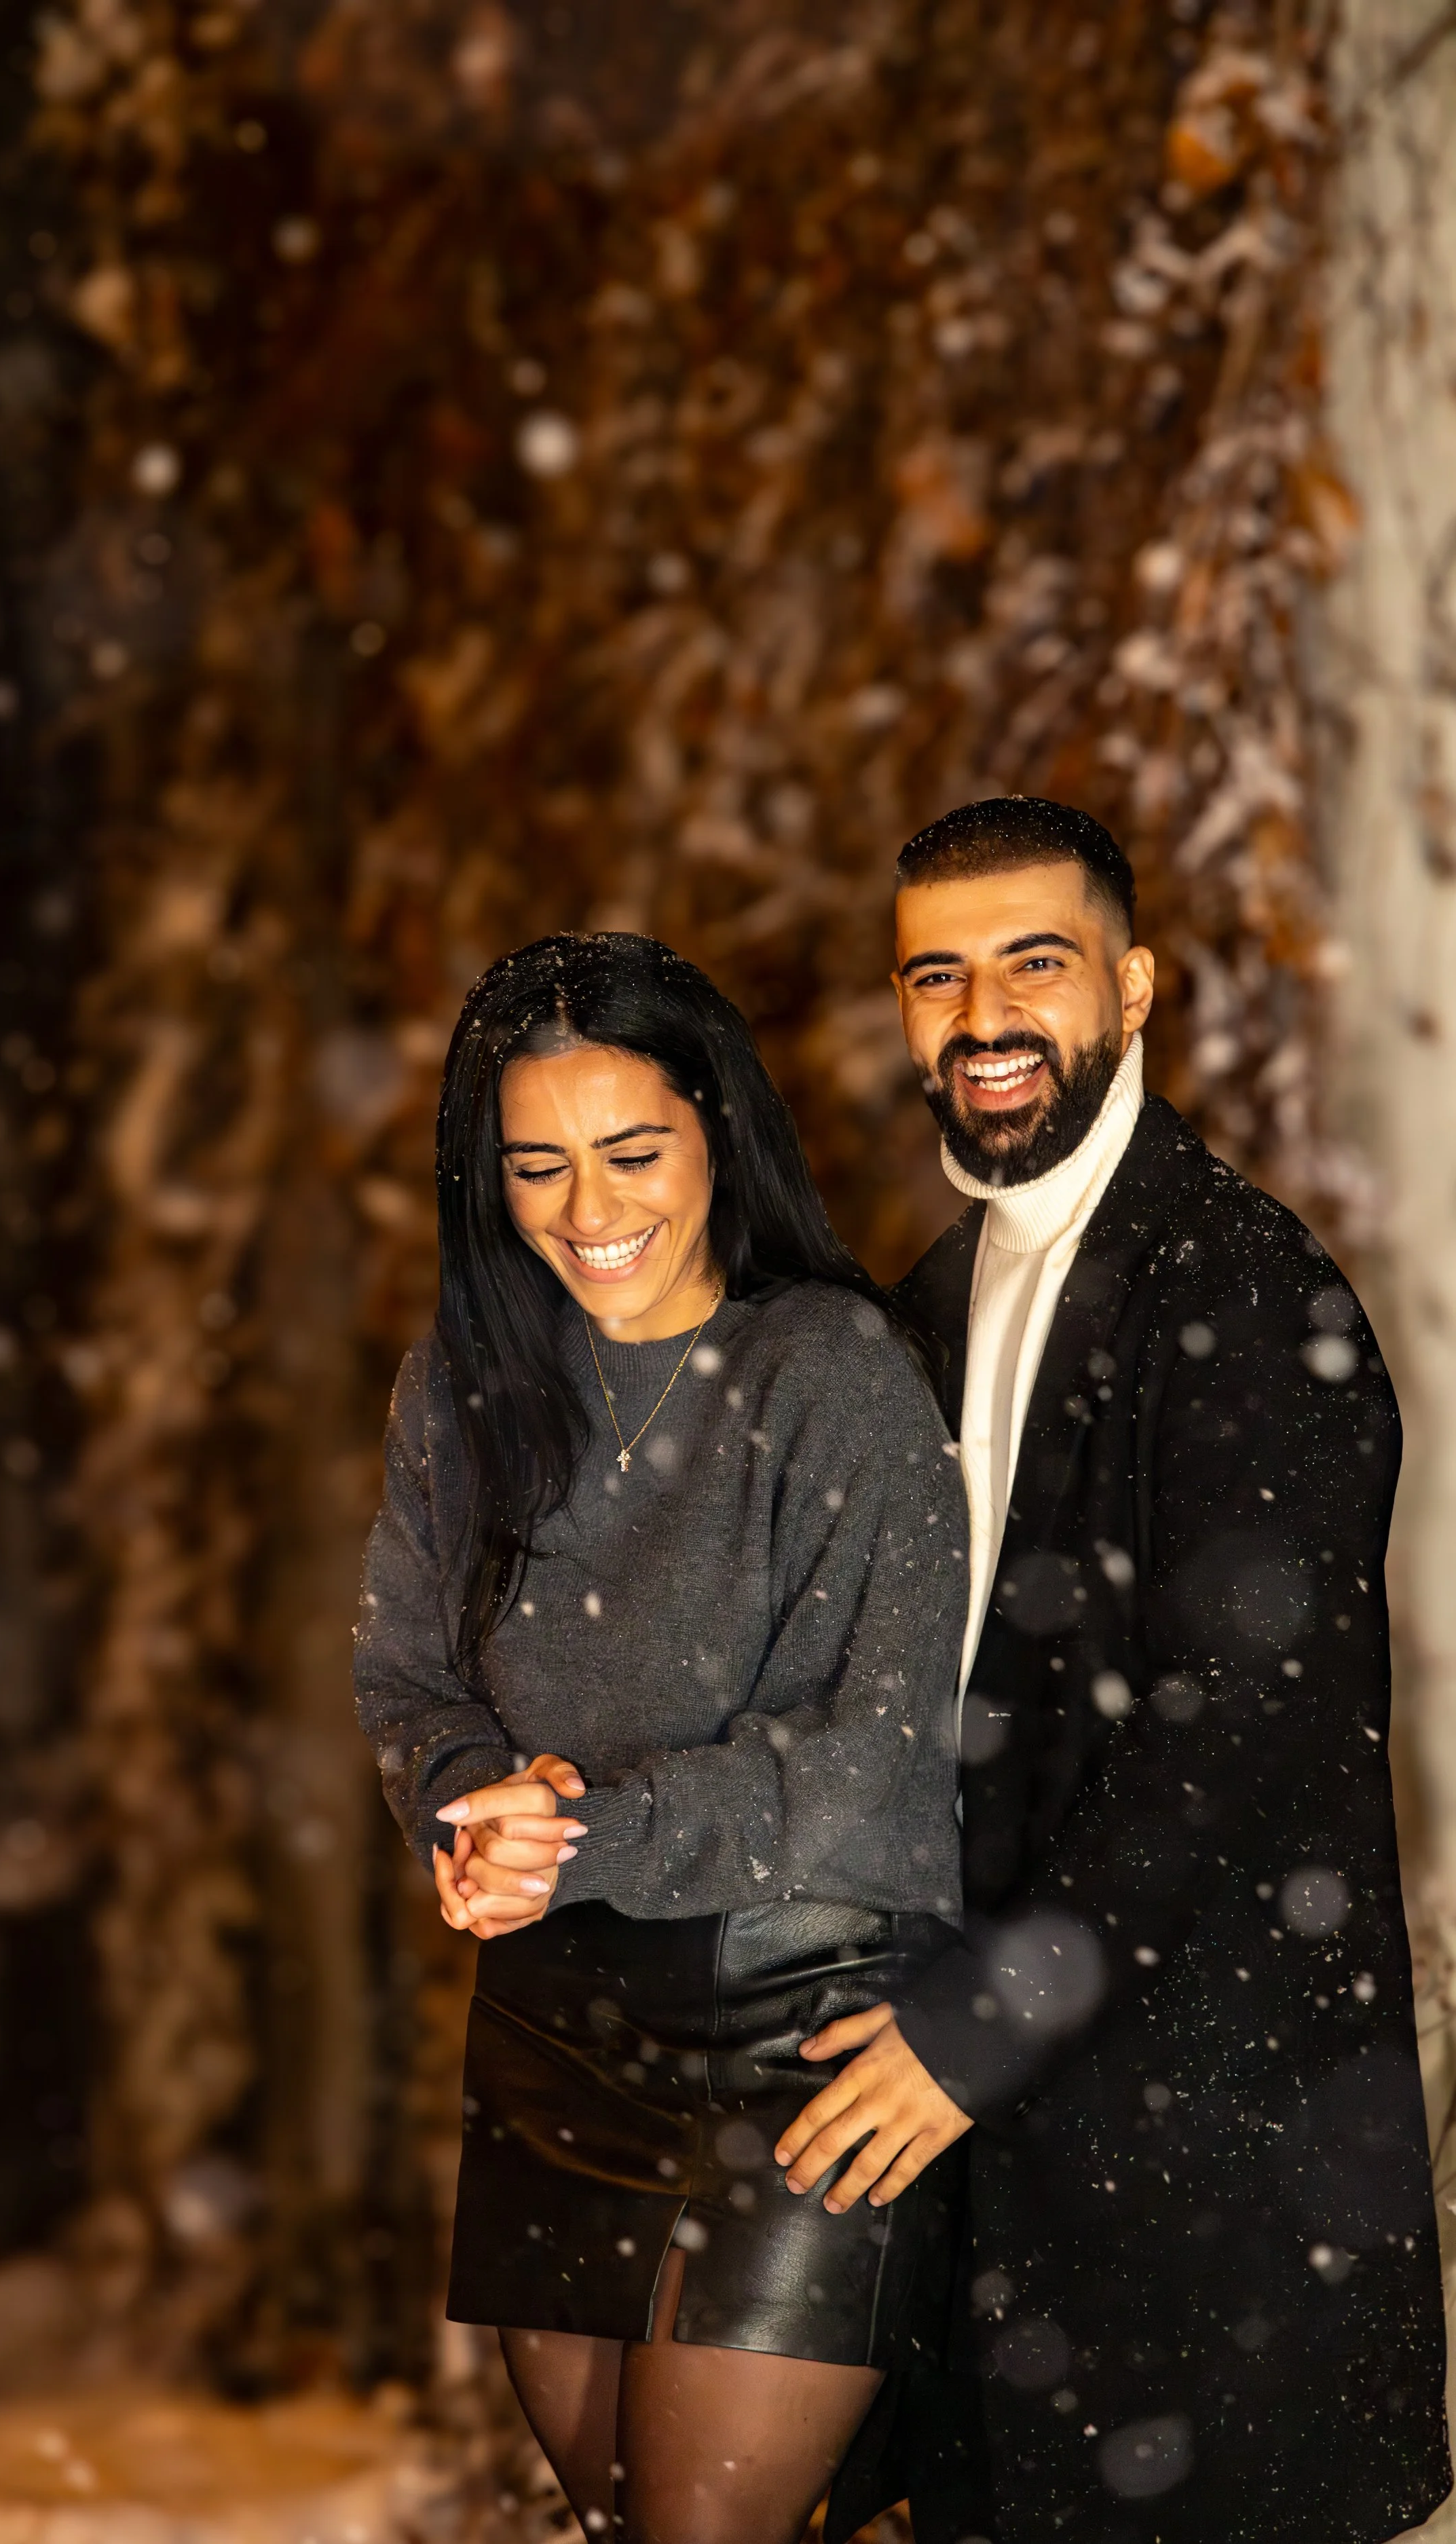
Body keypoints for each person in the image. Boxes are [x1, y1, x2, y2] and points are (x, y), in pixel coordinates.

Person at [769, 797, 1449, 2544]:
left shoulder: (1246, 1292)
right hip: (1002, 2226)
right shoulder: (919, 1309)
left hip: (1210, 2200)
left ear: (1131, 987)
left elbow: (1240, 1742)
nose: (982, 1014)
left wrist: (967, 2027)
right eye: (938, 974)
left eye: (1033, 963)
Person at [353, 931, 972, 2544]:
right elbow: (406, 1682)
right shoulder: (462, 1390)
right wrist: (462, 1803)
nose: (589, 1206)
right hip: (553, 2026)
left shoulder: (829, 1367)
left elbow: (872, 1750)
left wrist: (579, 1837)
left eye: (631, 1149)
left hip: (798, 2035)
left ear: (716, 1128)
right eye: (536, 1164)